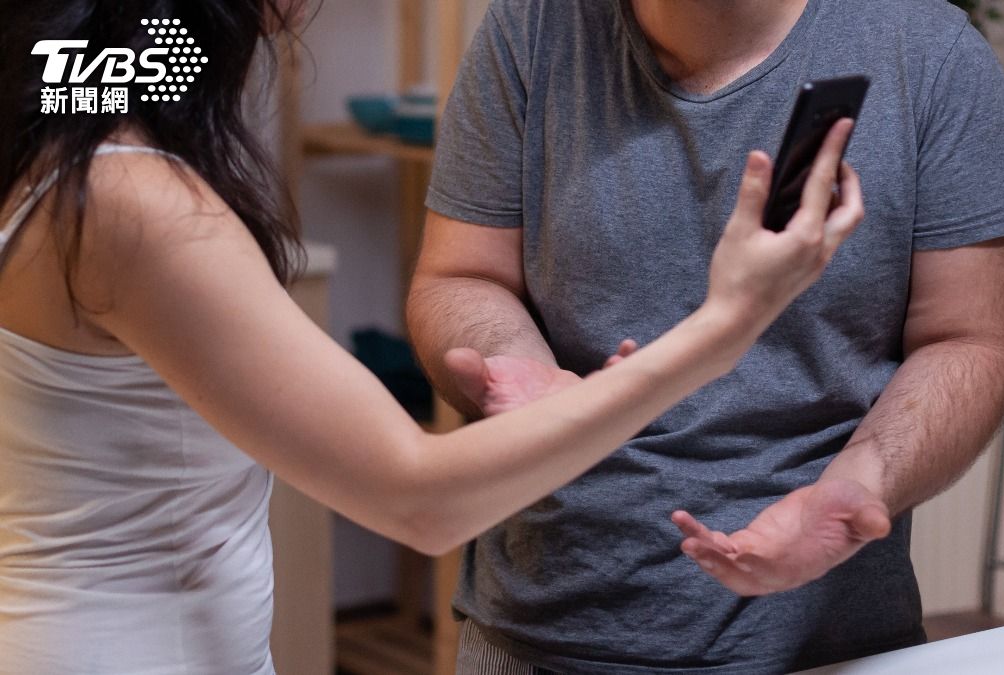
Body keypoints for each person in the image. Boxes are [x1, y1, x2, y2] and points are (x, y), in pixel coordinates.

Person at [0, 2, 865, 673]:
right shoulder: (129, 202)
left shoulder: (64, 161)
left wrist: (586, 396)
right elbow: (420, 500)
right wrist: (726, 326)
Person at [406, 0, 1004, 672]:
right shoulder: (530, 29)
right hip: (538, 632)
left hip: (821, 642)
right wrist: (522, 375)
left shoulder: (931, 55)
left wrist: (863, 481)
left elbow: (970, 338)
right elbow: (459, 278)